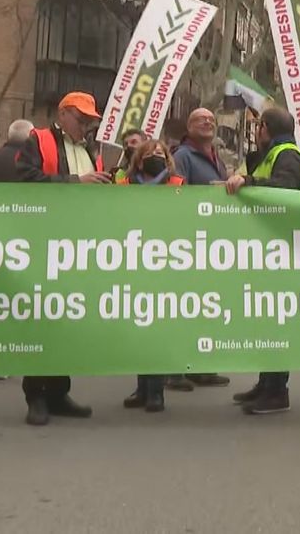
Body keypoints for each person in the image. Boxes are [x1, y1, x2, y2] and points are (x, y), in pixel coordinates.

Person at [16, 91, 110, 426]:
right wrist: (76, 182)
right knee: (42, 319)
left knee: (66, 320)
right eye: (81, 119)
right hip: (44, 243)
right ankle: (36, 394)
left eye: (89, 121)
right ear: (63, 114)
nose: (86, 126)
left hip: (79, 245)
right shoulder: (37, 140)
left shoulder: (89, 149)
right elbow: (24, 181)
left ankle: (58, 391)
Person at [227, 106, 300, 415]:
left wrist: (250, 183)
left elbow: (285, 190)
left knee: (275, 322)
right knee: (264, 321)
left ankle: (278, 391)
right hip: (266, 248)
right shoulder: (272, 154)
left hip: (281, 249)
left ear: (266, 129)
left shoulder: (287, 155)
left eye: (259, 127)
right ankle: (266, 382)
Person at [117, 139, 184, 413]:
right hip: (133, 261)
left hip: (165, 263)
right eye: (150, 153)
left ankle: (155, 391)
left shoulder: (178, 185)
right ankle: (142, 387)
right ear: (139, 160)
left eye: (161, 153)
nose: (157, 156)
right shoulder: (123, 187)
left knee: (156, 328)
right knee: (138, 327)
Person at [168, 109, 233, 389]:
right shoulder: (182, 156)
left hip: (210, 242)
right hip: (188, 242)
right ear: (188, 126)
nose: (207, 123)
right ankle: (175, 369)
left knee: (202, 307)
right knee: (183, 308)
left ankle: (198, 365)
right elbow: (176, 195)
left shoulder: (216, 158)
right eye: (200, 120)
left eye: (211, 120)